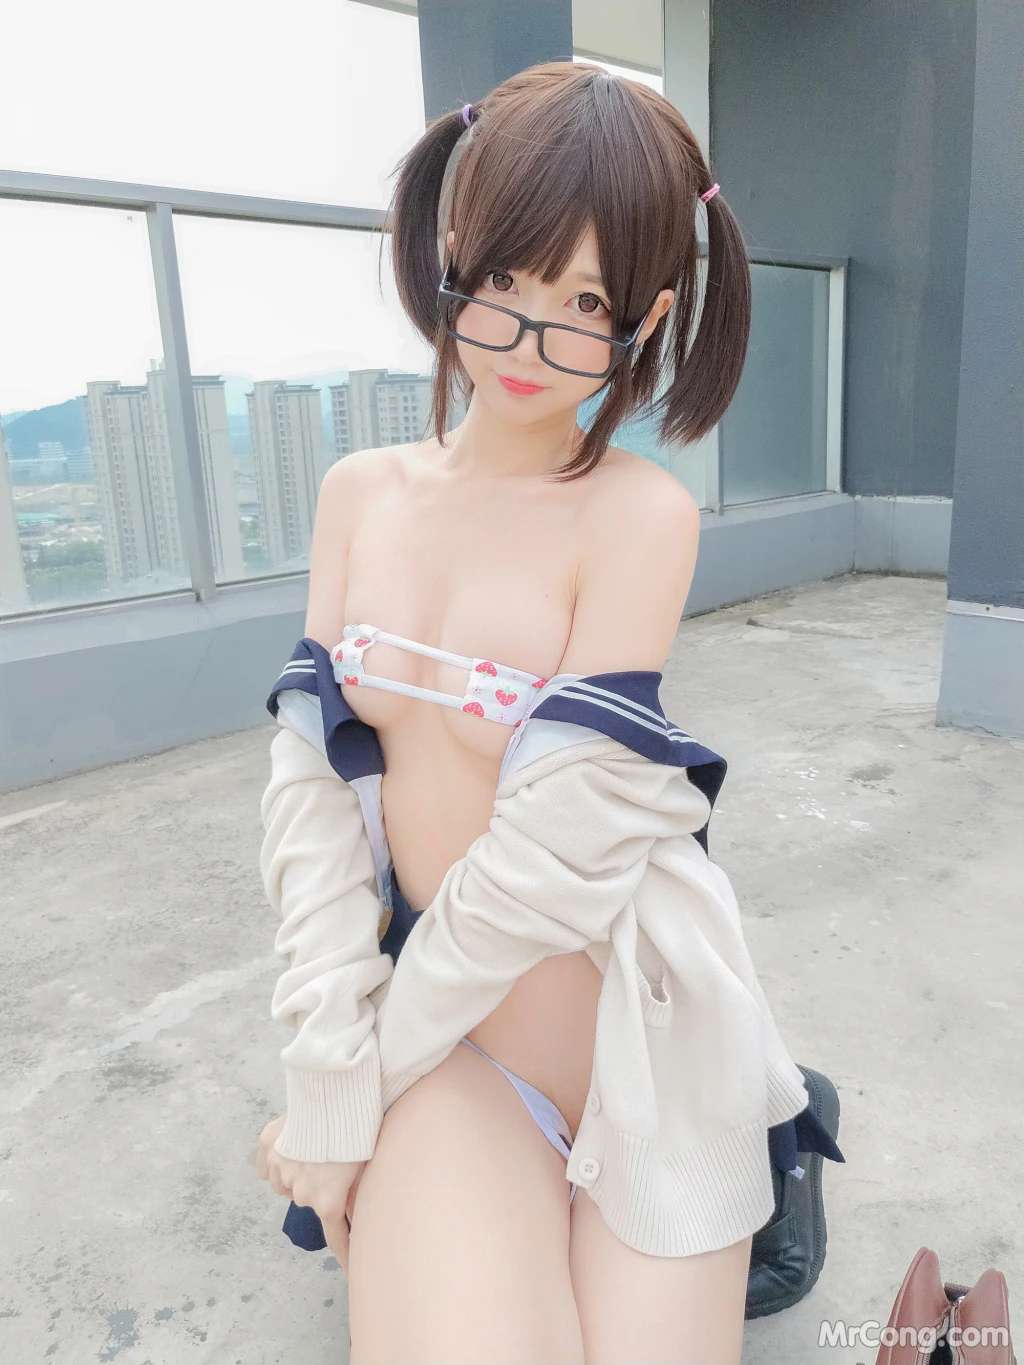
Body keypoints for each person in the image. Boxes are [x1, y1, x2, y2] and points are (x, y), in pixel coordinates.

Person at [253, 60, 842, 1364]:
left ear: (649, 316)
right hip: (455, 1053)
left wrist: (348, 1091)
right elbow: (311, 804)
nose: (530, 339)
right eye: (508, 281)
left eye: (584, 303)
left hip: (645, 1042)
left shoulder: (638, 516)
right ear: (453, 254)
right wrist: (334, 1066)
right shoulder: (359, 494)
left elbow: (553, 862)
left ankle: (768, 1136)